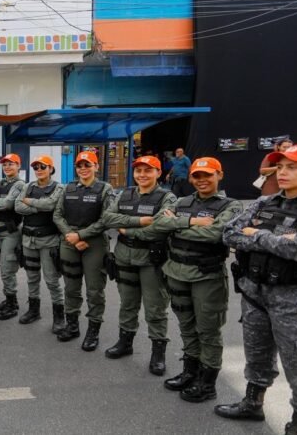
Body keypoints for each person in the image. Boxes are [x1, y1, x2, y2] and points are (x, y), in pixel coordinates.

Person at [216, 144, 297, 435]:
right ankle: (252, 403)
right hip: (256, 294)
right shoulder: (265, 202)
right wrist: (274, 239)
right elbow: (229, 233)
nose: (283, 172)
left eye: (293, 167)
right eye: (280, 166)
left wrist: (256, 234)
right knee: (257, 353)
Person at [147, 157, 242, 402]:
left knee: (208, 330)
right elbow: (157, 224)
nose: (202, 181)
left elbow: (215, 234)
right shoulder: (182, 202)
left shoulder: (230, 206)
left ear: (219, 174)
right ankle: (190, 372)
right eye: (197, 176)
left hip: (206, 277)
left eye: (208, 175)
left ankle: (207, 383)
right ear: (190, 178)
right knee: (186, 326)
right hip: (176, 273)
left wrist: (174, 224)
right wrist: (191, 221)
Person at [101, 155, 177, 376]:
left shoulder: (167, 197)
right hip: (124, 256)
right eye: (138, 171)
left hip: (151, 259)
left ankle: (158, 352)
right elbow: (107, 218)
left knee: (155, 308)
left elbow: (161, 225)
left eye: (148, 170)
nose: (142, 175)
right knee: (127, 303)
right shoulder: (125, 194)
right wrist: (139, 221)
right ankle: (125, 342)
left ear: (158, 173)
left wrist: (126, 228)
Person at [52, 151, 112, 350]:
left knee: (95, 290)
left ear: (96, 166)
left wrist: (82, 235)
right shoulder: (68, 187)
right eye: (80, 165)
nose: (83, 169)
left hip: (93, 244)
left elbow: (106, 219)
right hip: (70, 241)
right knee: (71, 287)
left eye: (88, 165)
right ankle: (72, 325)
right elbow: (58, 215)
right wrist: (71, 235)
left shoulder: (104, 189)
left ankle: (93, 331)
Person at [14, 155, 66, 335]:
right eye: (36, 167)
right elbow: (18, 206)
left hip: (49, 240)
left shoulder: (59, 187)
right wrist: (39, 206)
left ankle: (59, 316)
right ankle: (34, 310)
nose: (39, 170)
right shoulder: (28, 186)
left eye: (43, 167)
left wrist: (31, 203)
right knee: (32, 277)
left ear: (51, 169)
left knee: (52, 279)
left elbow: (52, 204)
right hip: (29, 239)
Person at [0, 153, 25, 320]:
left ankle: (12, 305)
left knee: (7, 268)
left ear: (18, 166)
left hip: (11, 233)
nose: (7, 167)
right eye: (5, 164)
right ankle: (10, 298)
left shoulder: (20, 185)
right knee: (3, 267)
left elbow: (9, 203)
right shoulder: (0, 183)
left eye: (11, 164)